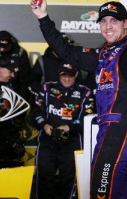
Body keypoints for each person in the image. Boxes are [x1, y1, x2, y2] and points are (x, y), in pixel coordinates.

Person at [31, 0, 127, 199]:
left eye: (114, 21)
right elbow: (66, 51)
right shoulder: (102, 54)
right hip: (118, 135)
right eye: (103, 21)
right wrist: (42, 17)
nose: (107, 26)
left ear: (126, 24)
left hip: (119, 136)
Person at [32, 62, 95, 199]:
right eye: (63, 75)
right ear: (59, 73)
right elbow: (36, 112)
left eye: (70, 75)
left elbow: (89, 118)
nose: (67, 78)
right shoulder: (47, 88)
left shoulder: (86, 92)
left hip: (71, 143)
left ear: (77, 74)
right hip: (47, 141)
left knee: (68, 180)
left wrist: (69, 127)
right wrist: (45, 126)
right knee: (44, 179)